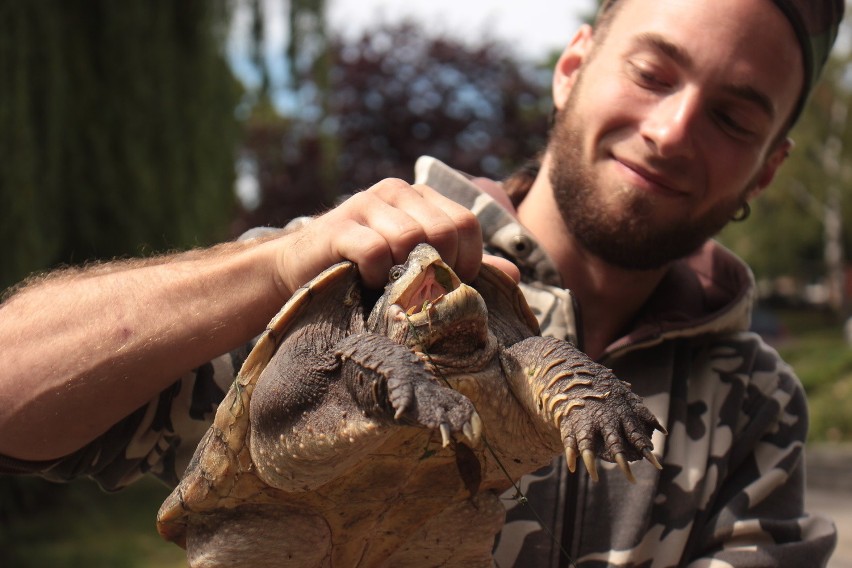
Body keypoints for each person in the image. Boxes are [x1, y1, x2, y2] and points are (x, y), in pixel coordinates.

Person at [0, 0, 844, 565]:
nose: (671, 130)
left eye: (734, 116)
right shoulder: (336, 281)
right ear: (572, 65)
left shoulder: (752, 404)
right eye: (653, 72)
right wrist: (276, 262)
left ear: (768, 171)